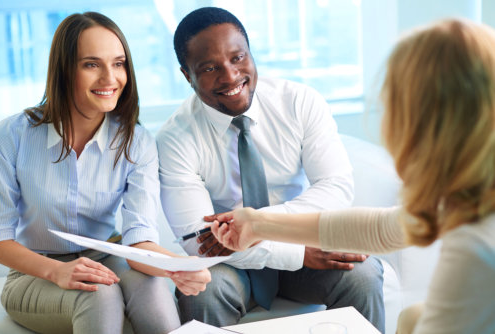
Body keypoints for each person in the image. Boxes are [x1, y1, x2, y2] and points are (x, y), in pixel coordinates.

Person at [211, 18, 495, 334]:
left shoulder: (477, 250)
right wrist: (258, 224)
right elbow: (387, 229)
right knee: (413, 317)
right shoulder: (475, 194)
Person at [156, 6, 384, 331]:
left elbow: (335, 187)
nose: (230, 76)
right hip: (231, 264)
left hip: (294, 243)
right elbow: (202, 241)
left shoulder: (299, 101)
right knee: (204, 288)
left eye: (237, 58)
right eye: (209, 68)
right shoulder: (175, 137)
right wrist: (295, 253)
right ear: (186, 75)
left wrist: (260, 228)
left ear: (250, 53)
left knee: (361, 274)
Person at [0, 12, 210, 334]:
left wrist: (180, 267)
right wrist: (57, 271)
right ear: (65, 70)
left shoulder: (136, 142)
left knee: (153, 289)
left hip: (108, 258)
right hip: (34, 273)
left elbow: (138, 238)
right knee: (99, 295)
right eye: (91, 64)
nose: (110, 78)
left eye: (119, 63)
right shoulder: (14, 135)